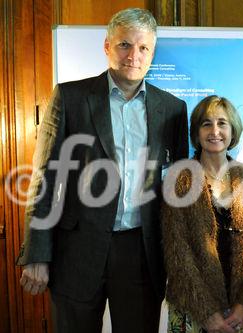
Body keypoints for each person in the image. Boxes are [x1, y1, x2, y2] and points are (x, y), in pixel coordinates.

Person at [16, 8, 188, 333]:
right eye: (125, 45)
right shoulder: (70, 98)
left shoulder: (173, 110)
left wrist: (179, 262)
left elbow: (176, 193)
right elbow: (45, 179)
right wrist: (37, 253)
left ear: (152, 53)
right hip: (76, 252)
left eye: (143, 48)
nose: (133, 56)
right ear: (107, 46)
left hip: (141, 255)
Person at [162, 95, 243, 333]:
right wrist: (206, 312)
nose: (215, 131)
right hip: (193, 309)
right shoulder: (179, 180)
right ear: (196, 132)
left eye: (222, 123)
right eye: (206, 124)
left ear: (233, 130)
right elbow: (178, 253)